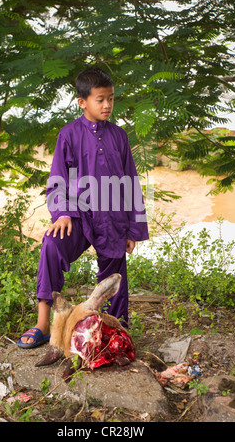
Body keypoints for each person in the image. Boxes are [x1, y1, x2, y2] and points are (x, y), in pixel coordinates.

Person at [18, 67, 149, 348]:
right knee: (51, 245)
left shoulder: (119, 136)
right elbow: (58, 178)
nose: (107, 105)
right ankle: (42, 324)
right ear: (82, 102)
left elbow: (130, 182)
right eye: (100, 99)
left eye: (111, 99)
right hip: (78, 215)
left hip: (112, 216)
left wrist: (132, 229)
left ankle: (114, 333)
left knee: (114, 278)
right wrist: (63, 213)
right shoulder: (69, 135)